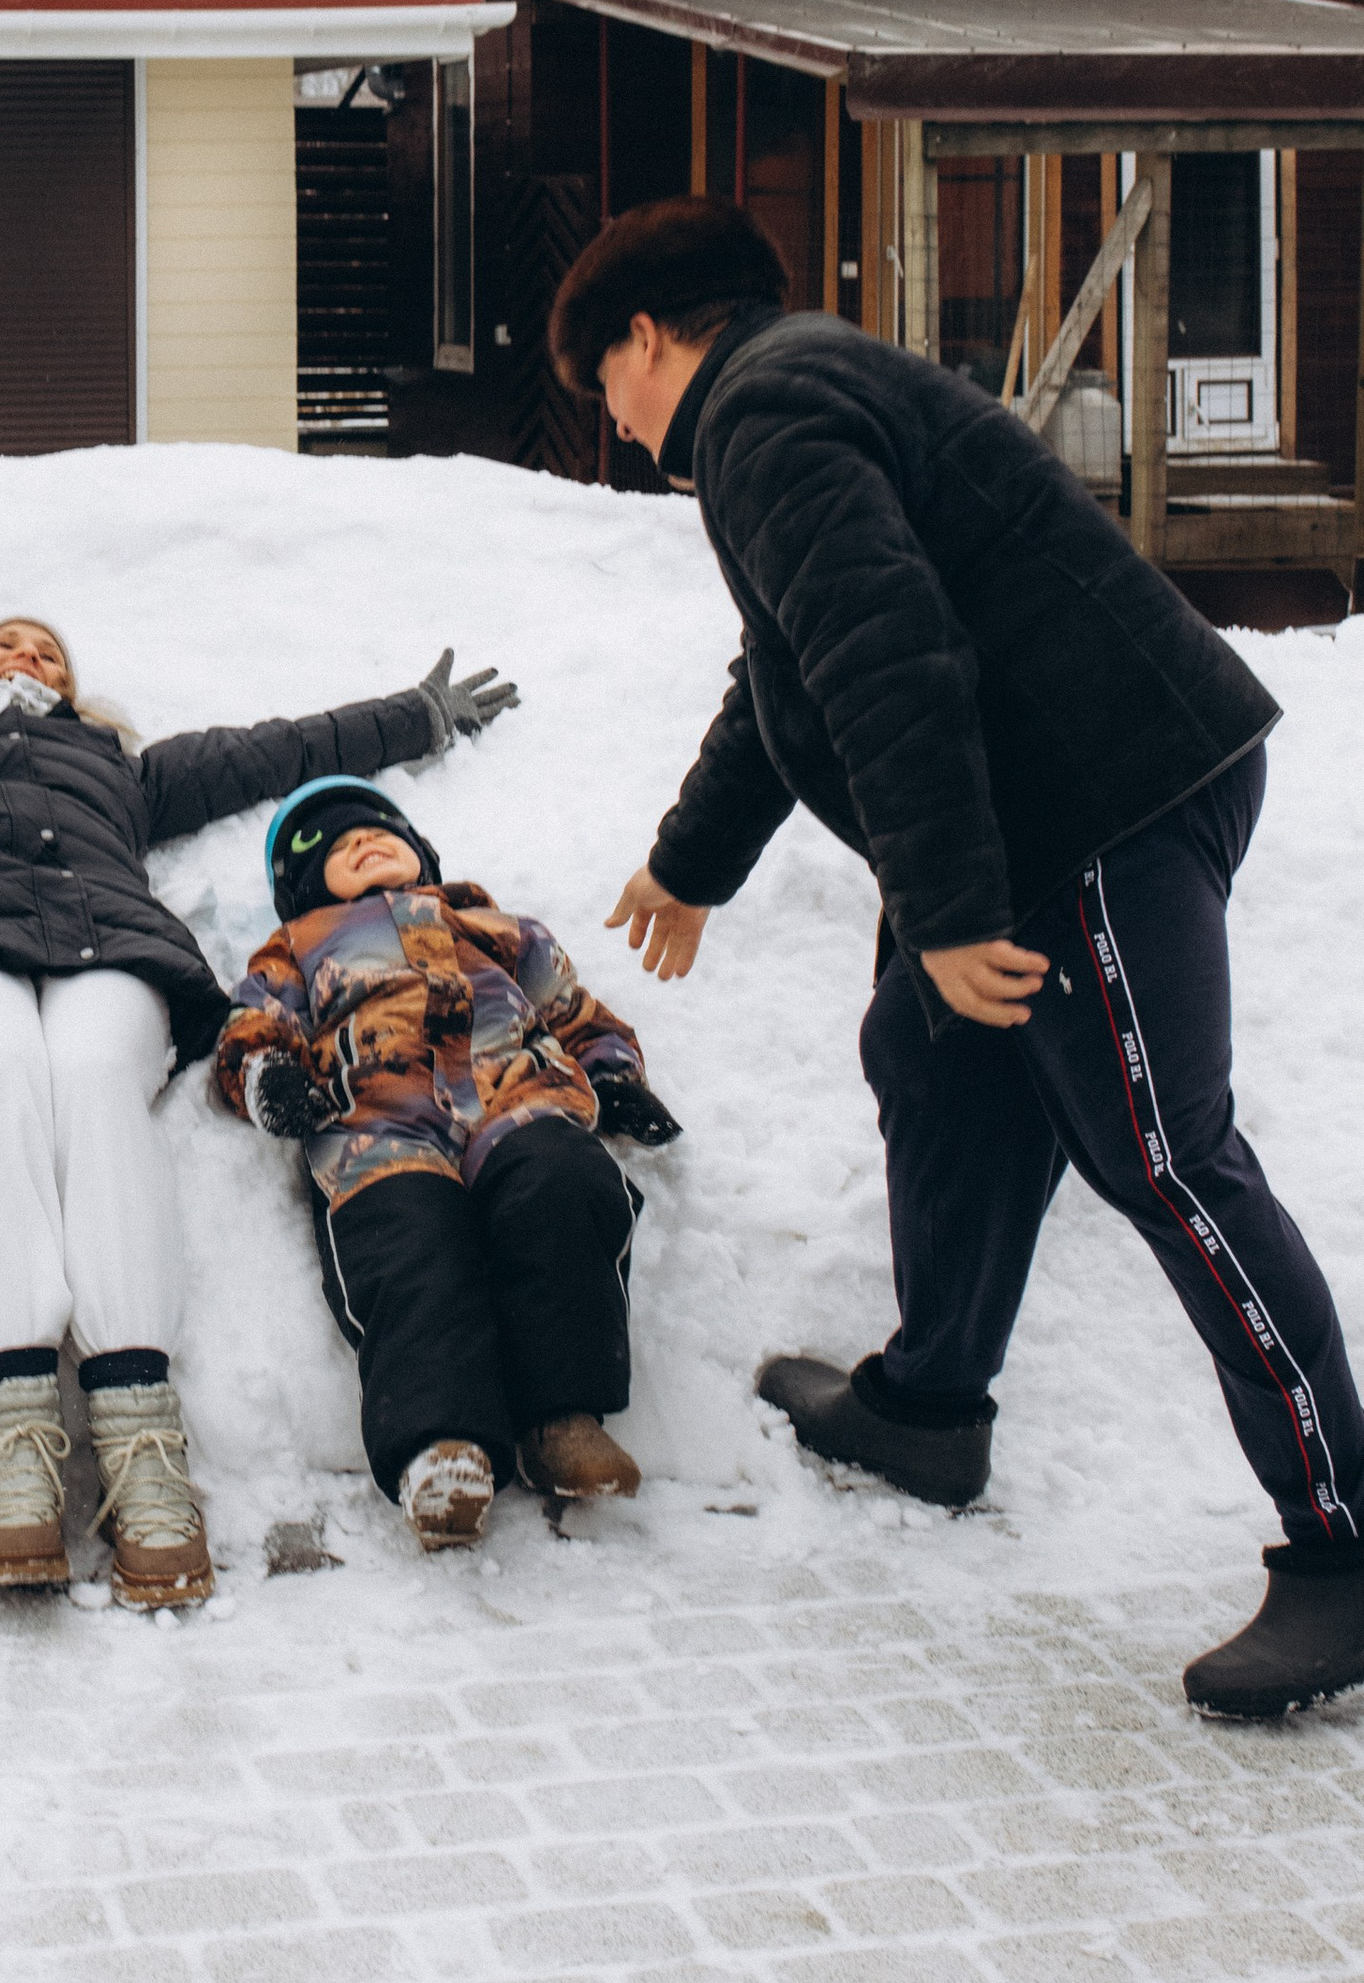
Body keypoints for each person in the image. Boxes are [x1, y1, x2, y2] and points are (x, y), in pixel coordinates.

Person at [554, 193, 1364, 1721]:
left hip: (1104, 804)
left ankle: (1346, 1542)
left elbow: (887, 650)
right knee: (938, 1065)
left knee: (1170, 1164)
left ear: (647, 338)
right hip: (1044, 812)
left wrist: (949, 911)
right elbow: (796, 664)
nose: (615, 420)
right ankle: (929, 1408)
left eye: (605, 383)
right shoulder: (796, 390)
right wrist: (692, 859)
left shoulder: (766, 414)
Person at [0, 616, 517, 1604]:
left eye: (50, 655)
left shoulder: (116, 766)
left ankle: (140, 1432)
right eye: (7, 646)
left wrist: (413, 717)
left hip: (102, 943)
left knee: (93, 1077)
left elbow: (272, 752)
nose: (29, 660)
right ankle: (11, 1434)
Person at [215, 777, 679, 1547]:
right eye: (334, 845)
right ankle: (442, 1445)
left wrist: (614, 1076)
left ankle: (563, 1417)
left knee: (560, 1185)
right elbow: (252, 1026)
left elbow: (578, 1014)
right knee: (408, 1243)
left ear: (422, 854)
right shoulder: (298, 946)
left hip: (516, 1100)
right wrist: (269, 1078)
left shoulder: (497, 928)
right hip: (380, 1124)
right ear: (299, 888)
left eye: (380, 832)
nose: (362, 841)